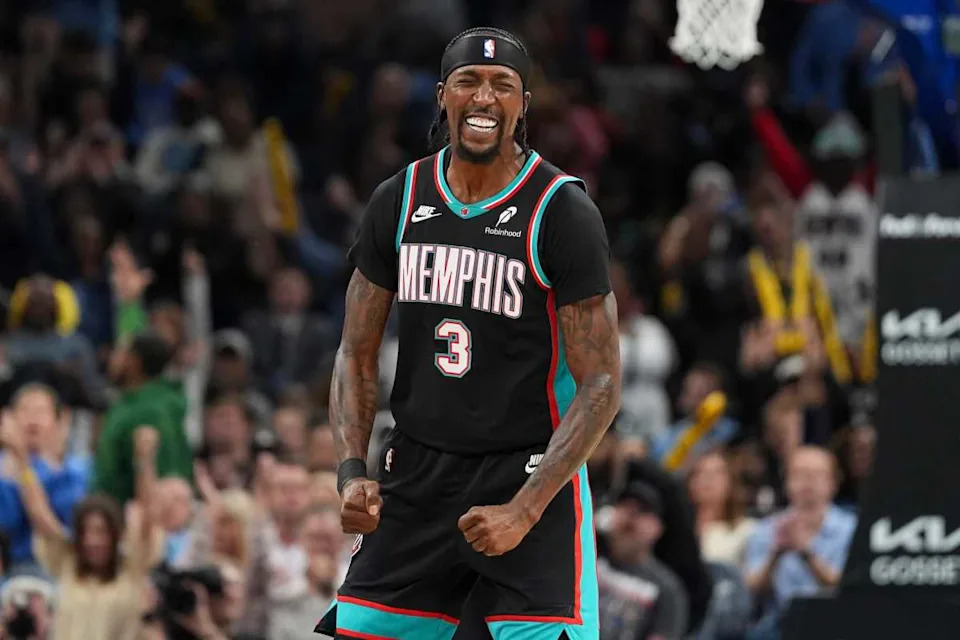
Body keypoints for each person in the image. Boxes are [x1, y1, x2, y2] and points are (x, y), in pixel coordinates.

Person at [318, 27, 620, 640]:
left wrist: (526, 508)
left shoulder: (560, 210)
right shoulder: (398, 200)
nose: (484, 97)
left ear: (522, 106)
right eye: (469, 82)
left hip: (529, 471)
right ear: (442, 97)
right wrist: (351, 470)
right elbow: (355, 351)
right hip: (419, 472)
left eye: (502, 85)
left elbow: (603, 382)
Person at [744, 446, 856, 637]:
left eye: (817, 475)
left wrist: (807, 554)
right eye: (800, 474)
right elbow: (751, 590)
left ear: (834, 482)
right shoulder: (766, 529)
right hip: (778, 626)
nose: (808, 483)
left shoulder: (852, 530)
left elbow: (851, 587)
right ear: (787, 482)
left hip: (836, 625)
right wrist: (775, 555)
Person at [93, 333, 192, 504]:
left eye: (119, 353)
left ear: (134, 361)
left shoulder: (150, 411)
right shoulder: (128, 403)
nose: (112, 360)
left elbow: (164, 473)